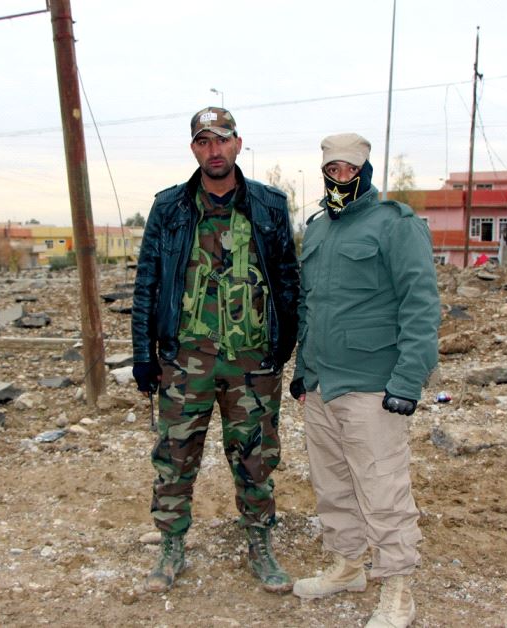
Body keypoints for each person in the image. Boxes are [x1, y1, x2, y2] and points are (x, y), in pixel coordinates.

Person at [131, 106, 300, 594]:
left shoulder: (268, 204)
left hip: (252, 363)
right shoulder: (170, 207)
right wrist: (144, 353)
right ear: (194, 149)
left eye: (222, 140)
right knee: (175, 456)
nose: (214, 150)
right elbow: (148, 282)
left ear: (238, 144)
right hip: (185, 361)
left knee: (255, 458)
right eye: (204, 142)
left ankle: (260, 543)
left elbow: (287, 280)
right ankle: (171, 547)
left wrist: (283, 344)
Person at [289, 133, 440, 627]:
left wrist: (408, 380)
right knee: (333, 485)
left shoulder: (395, 225)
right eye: (332, 169)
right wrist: (303, 369)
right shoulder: (317, 230)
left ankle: (398, 588)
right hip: (323, 385)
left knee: (382, 488)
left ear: (365, 170)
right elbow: (311, 306)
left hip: (373, 385)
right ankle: (348, 565)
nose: (340, 177)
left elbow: (420, 304)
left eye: (348, 169)